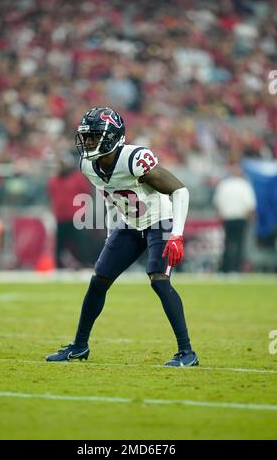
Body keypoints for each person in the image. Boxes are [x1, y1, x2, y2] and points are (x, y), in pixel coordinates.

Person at [46, 107, 198, 367]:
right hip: (130, 223)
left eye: (94, 136)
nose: (88, 142)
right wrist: (109, 232)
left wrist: (176, 235)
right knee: (99, 279)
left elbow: (180, 190)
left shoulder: (134, 159)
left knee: (159, 279)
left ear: (113, 137)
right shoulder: (87, 165)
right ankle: (79, 346)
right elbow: (109, 196)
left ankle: (187, 352)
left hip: (159, 220)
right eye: (87, 136)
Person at [48, 152, 92, 268]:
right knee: (59, 244)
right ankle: (57, 266)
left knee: (81, 243)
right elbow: (52, 195)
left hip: (76, 216)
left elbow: (86, 194)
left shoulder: (77, 178)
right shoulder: (54, 180)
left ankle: (84, 263)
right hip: (61, 217)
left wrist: (83, 210)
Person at [213, 164, 256, 272]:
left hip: (228, 218)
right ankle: (236, 268)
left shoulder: (224, 184)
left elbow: (217, 202)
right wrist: (251, 218)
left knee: (228, 244)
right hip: (240, 218)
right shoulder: (244, 184)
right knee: (240, 244)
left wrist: (221, 215)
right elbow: (250, 204)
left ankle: (226, 268)